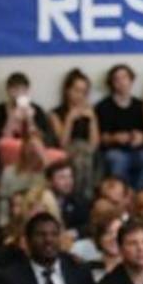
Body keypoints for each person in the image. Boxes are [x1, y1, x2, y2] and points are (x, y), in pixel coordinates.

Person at [0, 213, 94, 284]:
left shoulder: (79, 272)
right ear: (28, 241)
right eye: (41, 235)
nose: (48, 240)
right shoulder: (11, 279)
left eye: (54, 234)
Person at [96, 64, 143, 190]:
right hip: (114, 150)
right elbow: (101, 138)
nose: (121, 82)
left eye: (124, 78)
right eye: (117, 79)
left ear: (131, 80)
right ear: (111, 83)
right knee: (117, 159)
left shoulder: (141, 105)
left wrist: (142, 138)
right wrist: (115, 138)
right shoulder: (103, 106)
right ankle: (122, 193)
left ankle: (139, 193)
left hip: (138, 149)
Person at [0, 72, 59, 168]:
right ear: (8, 91)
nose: (19, 94)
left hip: (33, 149)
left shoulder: (36, 109)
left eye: (23, 90)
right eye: (15, 90)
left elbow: (45, 138)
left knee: (40, 147)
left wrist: (30, 120)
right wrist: (12, 119)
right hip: (9, 150)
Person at [50, 69, 100, 197]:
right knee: (79, 157)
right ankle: (80, 196)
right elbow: (62, 144)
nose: (80, 95)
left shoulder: (90, 111)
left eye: (84, 92)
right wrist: (69, 119)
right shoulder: (55, 113)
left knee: (84, 154)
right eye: (76, 90)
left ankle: (84, 197)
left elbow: (94, 145)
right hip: (69, 151)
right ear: (67, 90)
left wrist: (92, 119)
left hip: (86, 152)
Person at [45, 159, 89, 237]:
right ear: (50, 181)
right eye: (62, 177)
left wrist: (75, 232)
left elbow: (88, 226)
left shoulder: (79, 201)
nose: (68, 181)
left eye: (70, 177)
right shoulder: (42, 200)